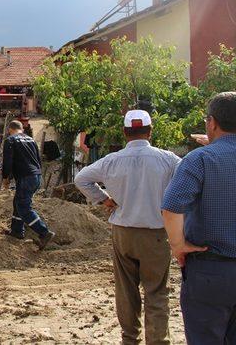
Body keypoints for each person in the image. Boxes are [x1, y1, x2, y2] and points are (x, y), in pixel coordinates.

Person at [75, 110, 180, 345]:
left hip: (123, 232)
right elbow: (184, 184)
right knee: (156, 291)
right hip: (156, 233)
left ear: (124, 133)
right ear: (150, 131)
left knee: (126, 290)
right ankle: (158, 341)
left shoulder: (112, 160)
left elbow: (81, 178)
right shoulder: (168, 159)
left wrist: (103, 199)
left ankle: (130, 339)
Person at [162, 92, 236, 344]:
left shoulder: (199, 160)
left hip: (210, 270)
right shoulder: (205, 157)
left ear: (212, 123)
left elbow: (171, 207)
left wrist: (178, 245)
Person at [2, 120, 55, 250]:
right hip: (36, 176)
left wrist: (5, 177)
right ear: (22, 129)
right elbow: (38, 159)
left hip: (25, 177)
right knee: (18, 202)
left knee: (23, 207)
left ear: (10, 129)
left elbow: (7, 161)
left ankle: (44, 232)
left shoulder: (10, 140)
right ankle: (17, 230)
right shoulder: (31, 140)